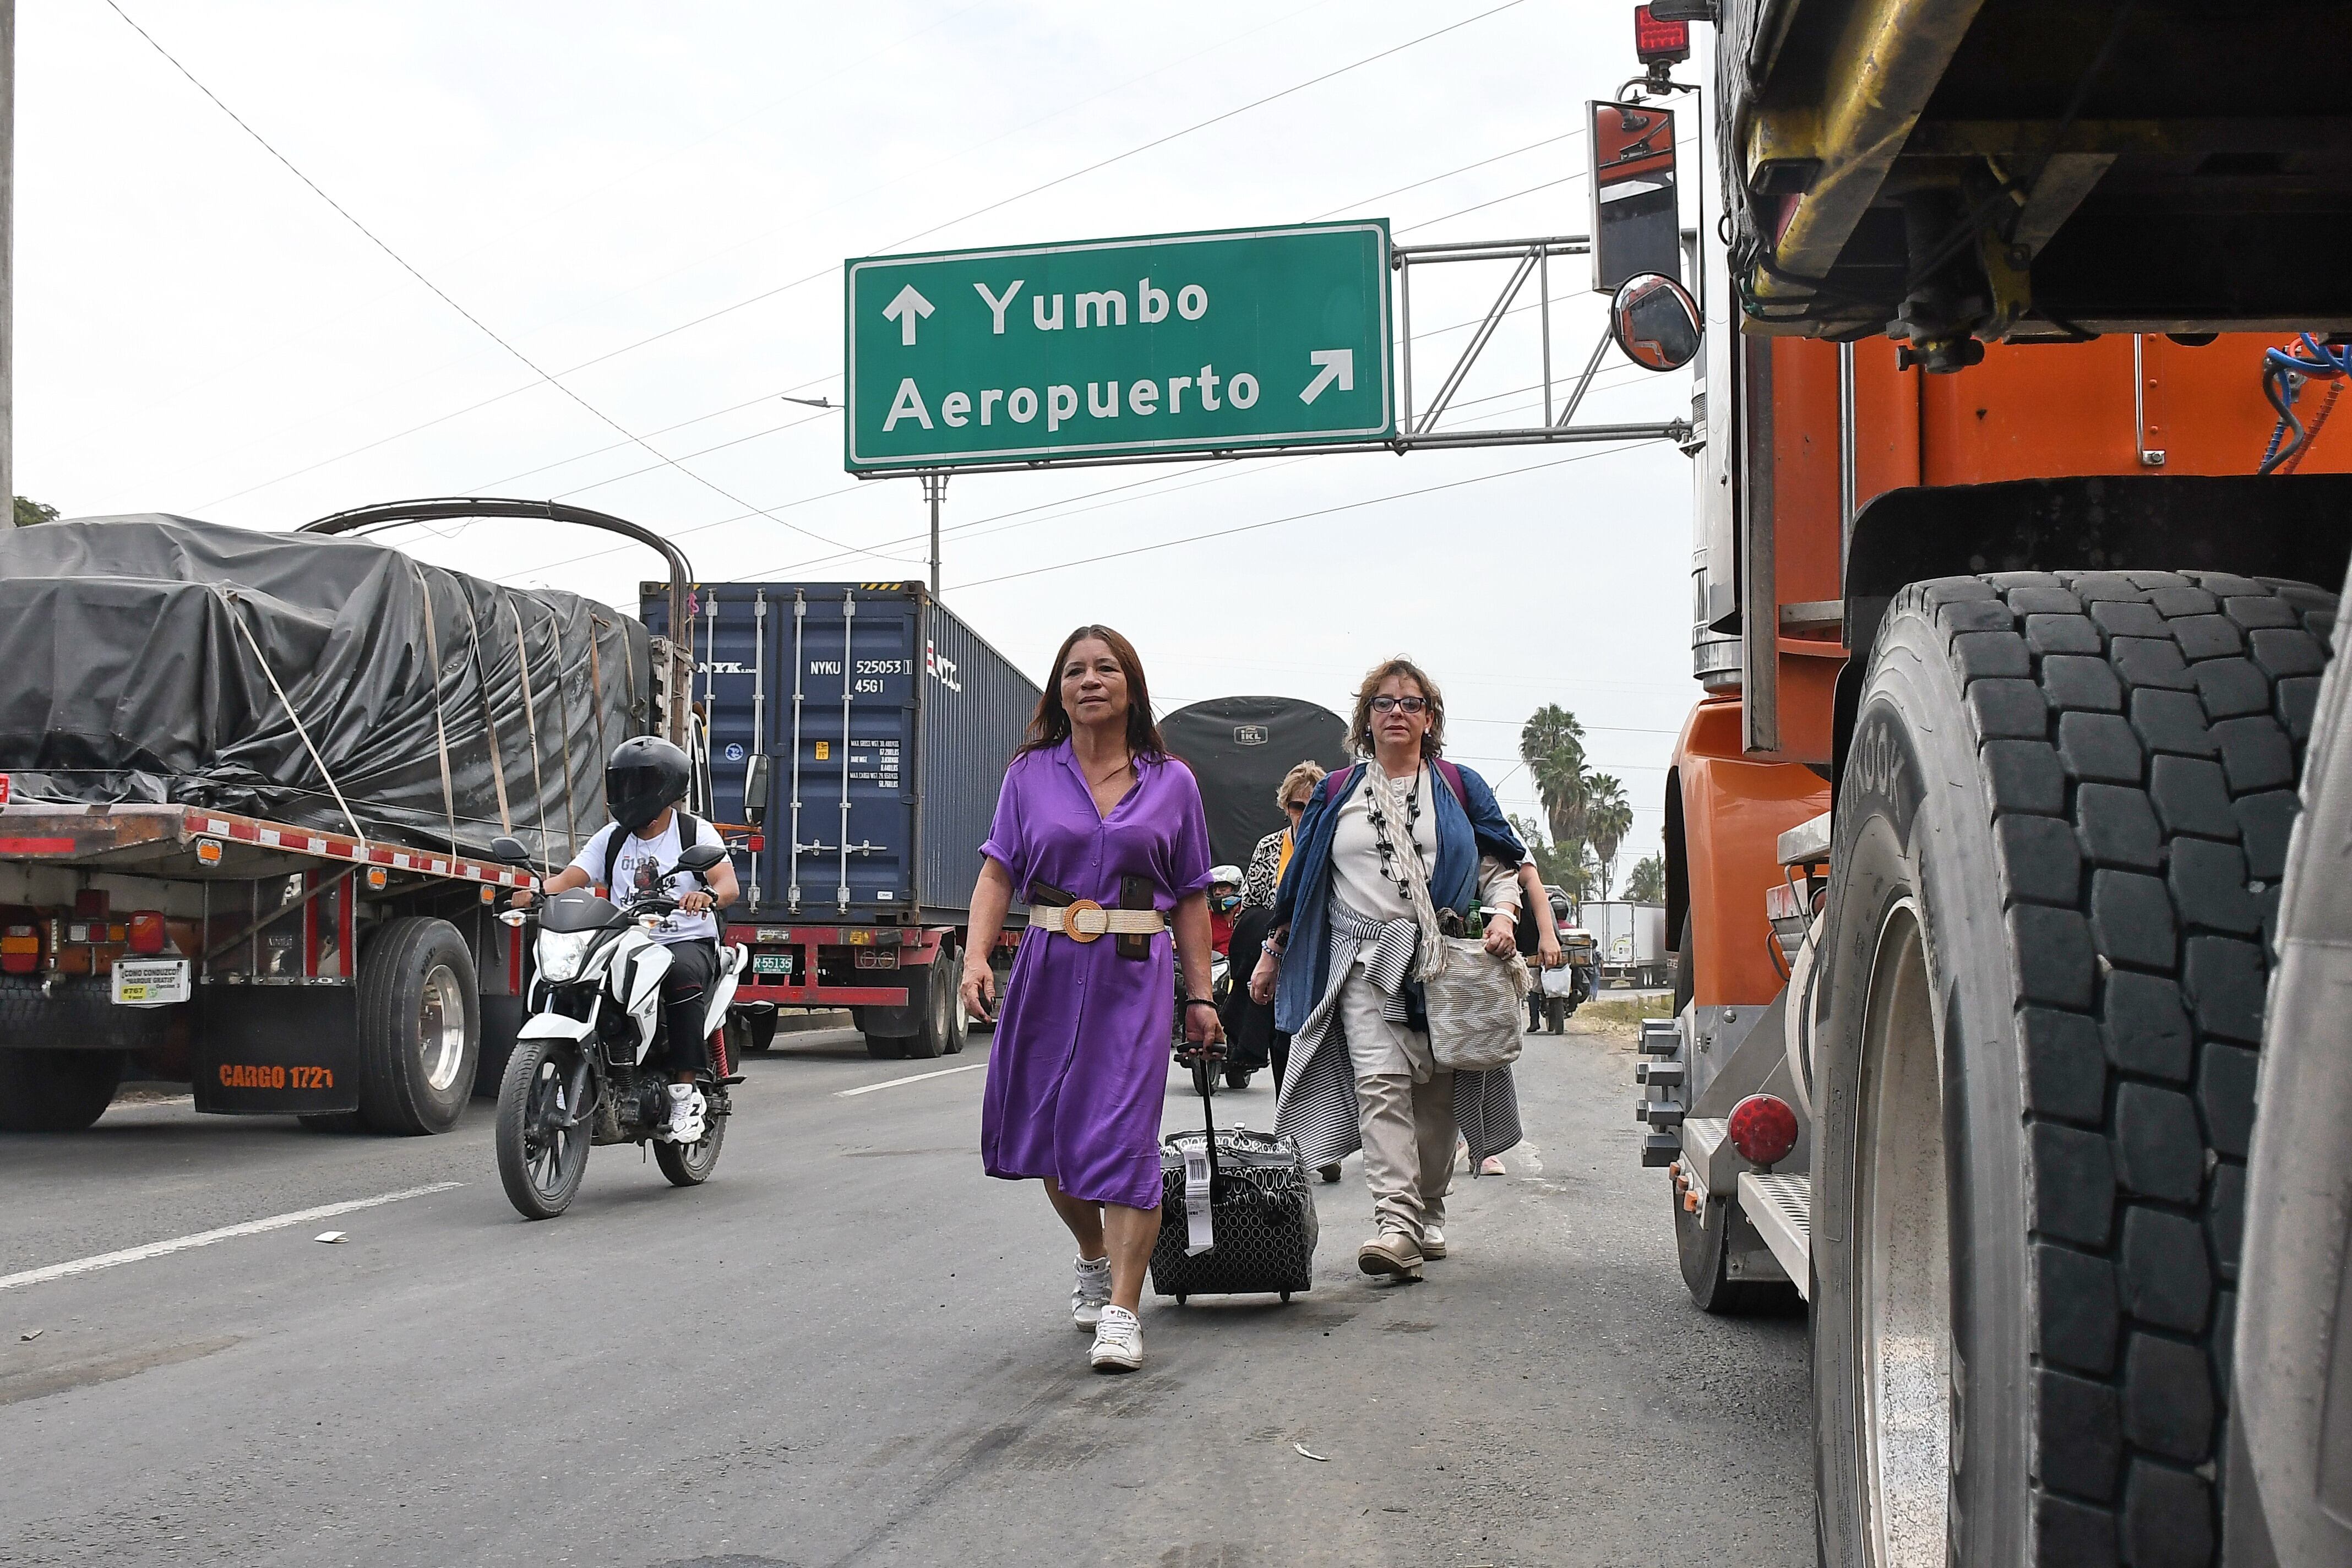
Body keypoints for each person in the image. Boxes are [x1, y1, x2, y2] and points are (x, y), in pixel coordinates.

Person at [959, 625, 1221, 1375]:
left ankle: (1123, 1311)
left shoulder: (1172, 782)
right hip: (1046, 966)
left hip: (1134, 975)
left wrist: (1199, 996)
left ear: (1132, 687)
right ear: (1059, 691)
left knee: (1124, 1134)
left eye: (1107, 669)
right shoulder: (1029, 776)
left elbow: (1195, 896)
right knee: (1049, 1134)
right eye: (1075, 671)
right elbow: (997, 875)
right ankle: (1092, 1253)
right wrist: (978, 956)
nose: (1090, 680)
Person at [1251, 656, 1528, 1278]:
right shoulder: (1337, 791)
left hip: (1439, 962)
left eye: (1410, 703)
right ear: (1365, 720)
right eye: (1383, 702)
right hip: (1360, 959)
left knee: (1433, 1098)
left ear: (1430, 719)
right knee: (1380, 1085)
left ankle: (1430, 1208)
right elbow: (1302, 882)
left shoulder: (1459, 786)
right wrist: (1274, 953)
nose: (1397, 711)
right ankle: (1396, 1225)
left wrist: (1505, 916)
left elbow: (1500, 864)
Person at [514, 736, 737, 1143]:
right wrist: (539, 891)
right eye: (622, 784)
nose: (628, 794)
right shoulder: (613, 838)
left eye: (637, 784)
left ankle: (685, 1094)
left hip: (684, 940)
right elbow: (572, 878)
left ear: (665, 788)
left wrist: (706, 895)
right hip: (627, 940)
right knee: (572, 980)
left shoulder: (693, 832)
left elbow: (727, 884)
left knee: (680, 977)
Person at [1207, 865, 1243, 957]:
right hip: (1216, 967)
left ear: (1236, 888)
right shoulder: (1205, 918)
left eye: (1223, 887)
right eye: (1215, 888)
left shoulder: (1247, 915)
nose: (1218, 892)